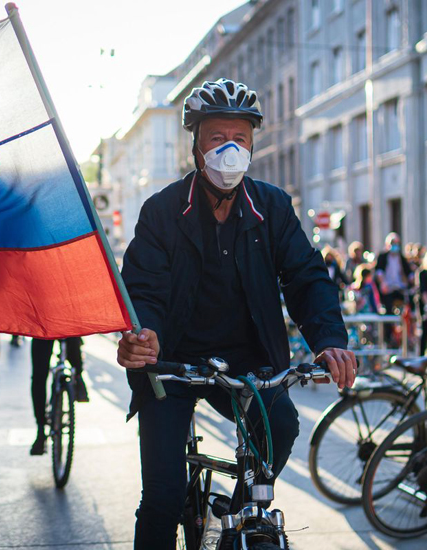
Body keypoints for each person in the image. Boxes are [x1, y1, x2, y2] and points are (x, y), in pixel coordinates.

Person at [116, 78, 357, 550]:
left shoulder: (272, 206)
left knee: (282, 427)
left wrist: (329, 338)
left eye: (240, 139)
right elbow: (143, 287)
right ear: (196, 147)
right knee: (162, 498)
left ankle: (238, 512)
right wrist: (145, 335)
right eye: (217, 138)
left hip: (249, 362)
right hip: (172, 366)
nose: (230, 149)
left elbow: (306, 276)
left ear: (252, 145)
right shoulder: (161, 211)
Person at [29, 337, 88, 456]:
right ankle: (79, 380)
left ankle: (41, 431)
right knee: (39, 376)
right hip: (62, 323)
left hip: (46, 325)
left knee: (39, 377)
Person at [375, 232, 412, 314]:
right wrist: (383, 283)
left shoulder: (401, 258)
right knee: (388, 309)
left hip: (400, 287)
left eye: (397, 243)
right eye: (393, 243)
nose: (395, 245)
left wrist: (412, 280)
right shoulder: (383, 257)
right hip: (388, 288)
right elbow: (379, 272)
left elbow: (408, 272)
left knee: (409, 303)